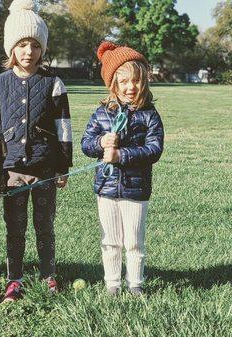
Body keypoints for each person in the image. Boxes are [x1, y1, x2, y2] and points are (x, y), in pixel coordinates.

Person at [0, 0, 72, 302]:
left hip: (45, 170)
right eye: (22, 44)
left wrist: (63, 166)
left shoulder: (54, 83)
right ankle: (14, 280)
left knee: (44, 226)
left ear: (42, 49)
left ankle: (49, 277)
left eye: (34, 45)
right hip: (10, 173)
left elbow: (64, 129)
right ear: (11, 48)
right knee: (15, 228)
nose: (28, 51)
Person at [81, 41, 164, 296]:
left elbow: (154, 149)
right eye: (124, 82)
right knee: (111, 241)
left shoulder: (149, 115)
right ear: (113, 84)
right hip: (106, 189)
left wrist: (122, 155)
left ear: (145, 82)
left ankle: (135, 284)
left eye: (136, 81)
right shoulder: (101, 113)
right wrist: (101, 142)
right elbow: (86, 144)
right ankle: (112, 284)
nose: (130, 87)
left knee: (133, 242)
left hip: (136, 189)